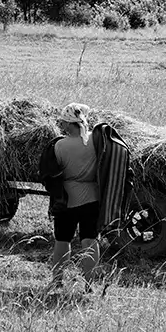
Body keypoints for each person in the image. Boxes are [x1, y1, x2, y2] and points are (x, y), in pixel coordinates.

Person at [40, 102, 102, 290]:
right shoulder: (96, 142)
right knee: (89, 241)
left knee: (62, 240)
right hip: (92, 198)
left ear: (68, 124)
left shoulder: (59, 146)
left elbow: (48, 174)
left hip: (66, 200)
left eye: (64, 122)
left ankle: (57, 281)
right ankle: (89, 284)